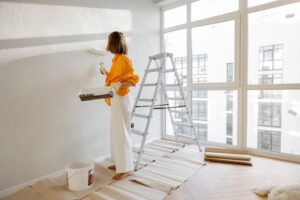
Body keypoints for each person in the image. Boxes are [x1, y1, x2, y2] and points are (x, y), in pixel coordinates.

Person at [100, 31, 139, 180]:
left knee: (122, 131)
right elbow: (114, 78)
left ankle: (126, 168)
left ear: (114, 43)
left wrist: (120, 84)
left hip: (122, 98)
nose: (108, 45)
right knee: (115, 131)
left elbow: (132, 81)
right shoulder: (115, 60)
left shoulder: (124, 59)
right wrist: (105, 72)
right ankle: (119, 162)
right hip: (116, 97)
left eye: (110, 42)